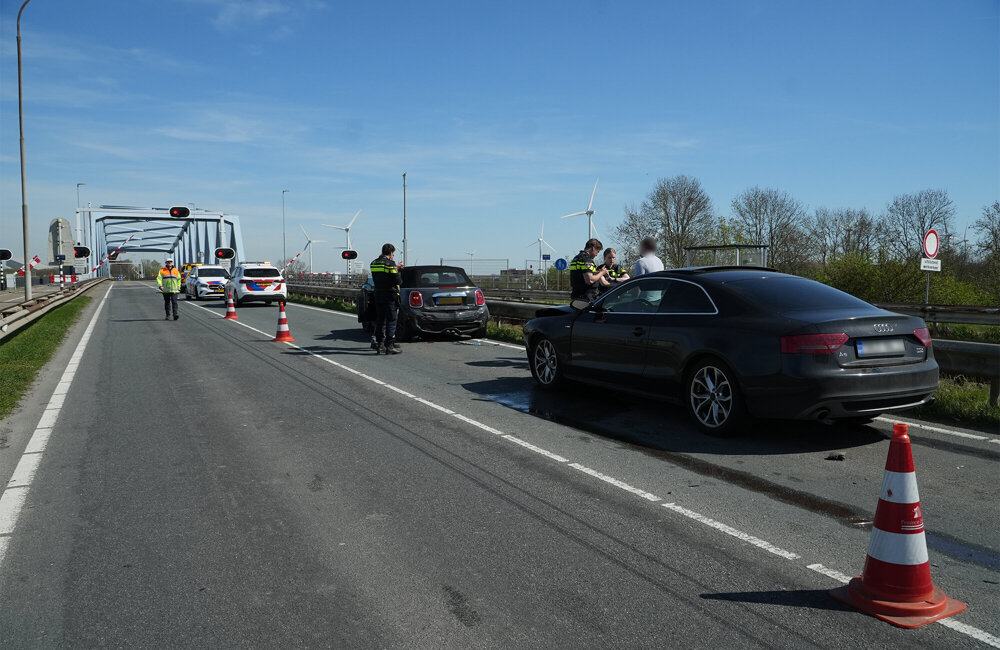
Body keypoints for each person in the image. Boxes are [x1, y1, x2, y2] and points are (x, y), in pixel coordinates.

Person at [369, 243, 403, 354]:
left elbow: (381, 274)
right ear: (391, 253)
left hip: (378, 294)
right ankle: (389, 346)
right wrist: (396, 269)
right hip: (389, 295)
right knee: (392, 320)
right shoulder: (390, 264)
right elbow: (398, 280)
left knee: (380, 321)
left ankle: (380, 345)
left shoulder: (373, 263)